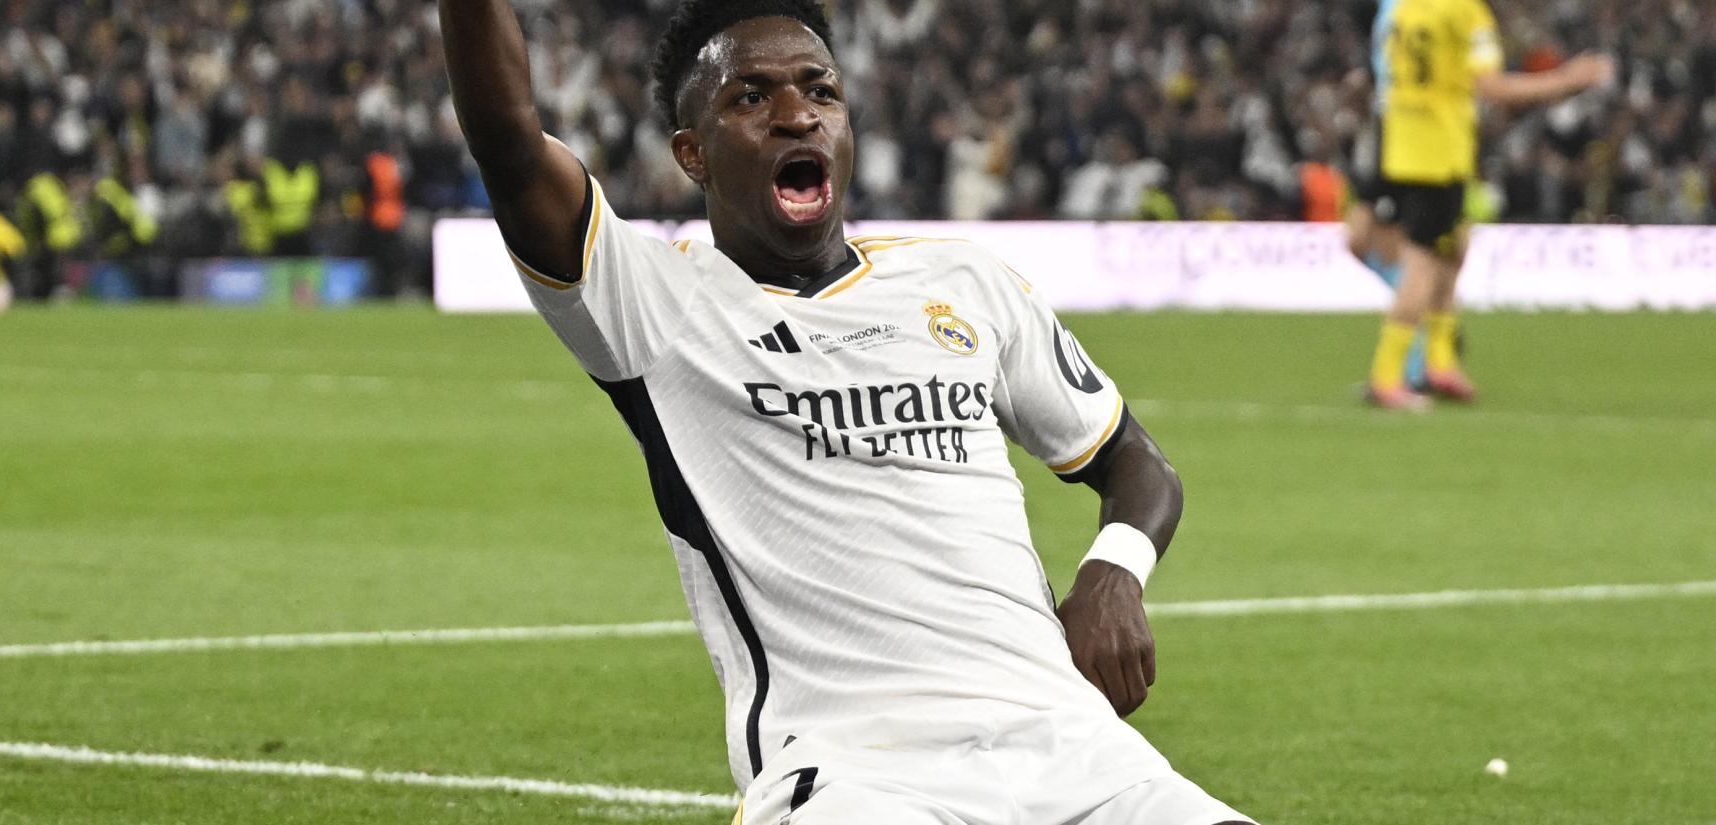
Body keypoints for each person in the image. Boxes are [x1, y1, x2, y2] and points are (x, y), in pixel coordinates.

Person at [439, 2, 1256, 823]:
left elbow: (1135, 463)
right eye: (750, 98)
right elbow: (508, 141)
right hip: (859, 773)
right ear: (693, 155)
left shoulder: (963, 281)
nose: (797, 114)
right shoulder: (656, 303)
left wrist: (1114, 573)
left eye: (819, 91)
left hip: (1074, 746)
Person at [1360, 0, 1614, 410]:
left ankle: (1440, 362)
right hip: (1438, 151)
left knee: (1454, 248)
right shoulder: (1464, 11)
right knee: (1424, 262)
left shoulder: (1406, 9)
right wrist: (1567, 80)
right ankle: (1387, 375)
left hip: (1401, 143)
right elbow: (1491, 87)